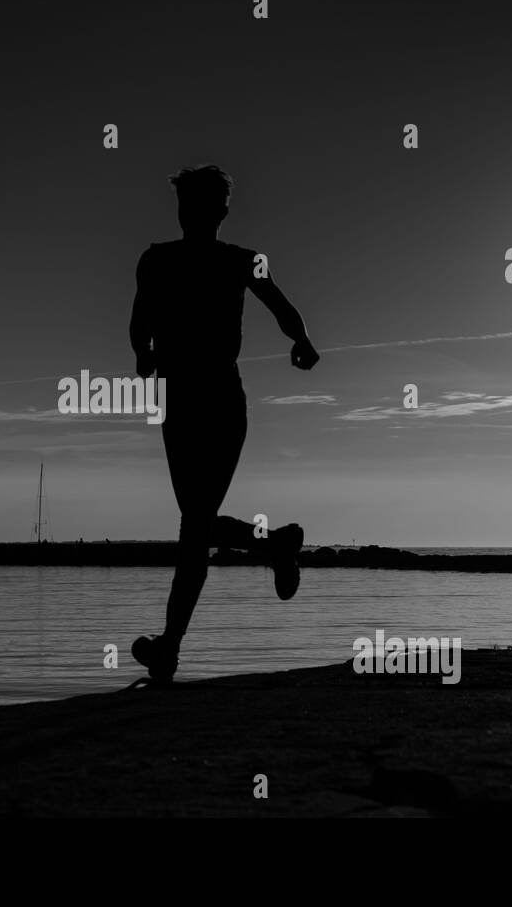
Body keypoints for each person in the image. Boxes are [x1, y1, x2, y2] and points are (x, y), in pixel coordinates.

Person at [128, 164, 320, 684]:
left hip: (220, 401)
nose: (191, 215)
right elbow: (138, 320)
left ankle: (168, 649)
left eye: (199, 206)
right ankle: (274, 544)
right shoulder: (156, 260)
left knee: (194, 525)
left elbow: (281, 306)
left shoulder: (241, 262)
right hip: (178, 402)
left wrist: (300, 340)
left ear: (219, 213)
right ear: (182, 210)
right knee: (195, 523)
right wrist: (143, 354)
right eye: (186, 206)